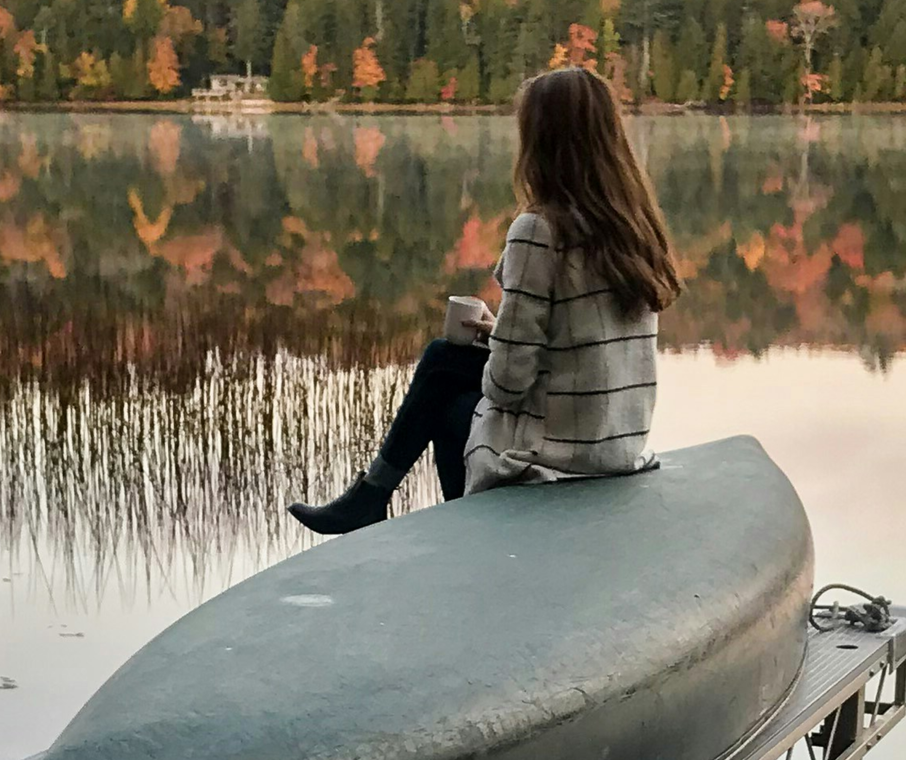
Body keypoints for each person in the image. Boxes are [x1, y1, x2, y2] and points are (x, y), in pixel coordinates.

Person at [288, 63, 681, 534]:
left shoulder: (540, 230)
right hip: (617, 444)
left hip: (562, 454)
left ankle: (435, 522)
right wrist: (503, 335)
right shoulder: (636, 226)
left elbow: (509, 383)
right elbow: (590, 345)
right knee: (444, 359)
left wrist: (502, 348)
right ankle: (371, 496)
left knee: (447, 394)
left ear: (540, 141)